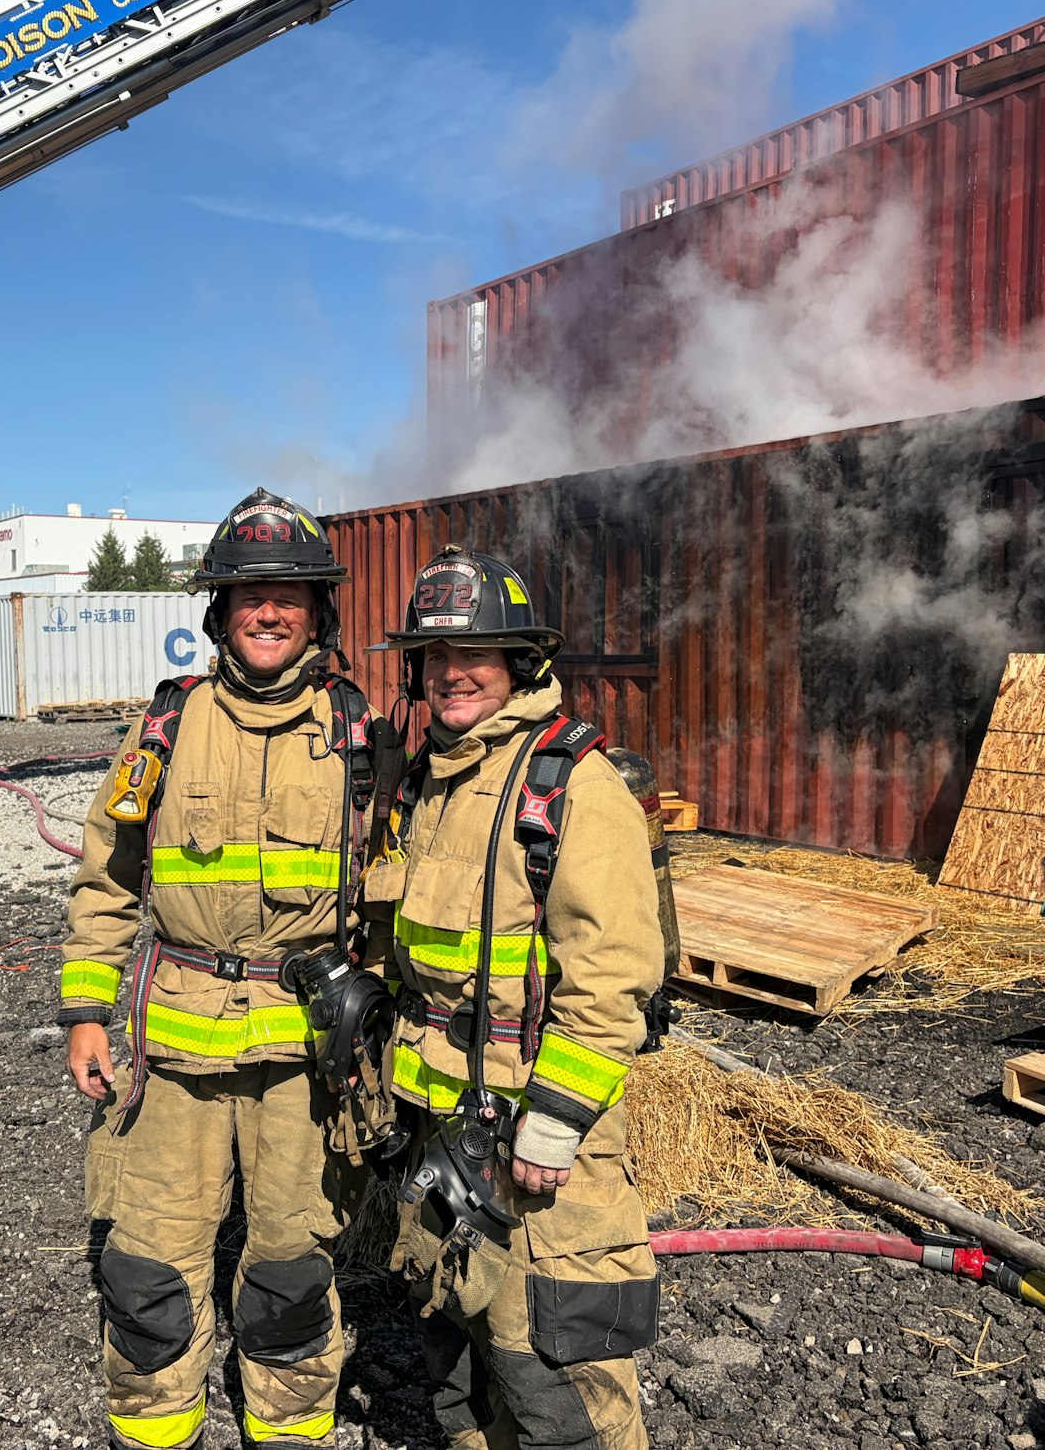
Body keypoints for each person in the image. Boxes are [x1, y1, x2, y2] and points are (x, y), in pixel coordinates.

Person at [58, 489, 384, 1450]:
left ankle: (287, 1428)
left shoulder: (366, 740)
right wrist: (87, 1010)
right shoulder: (163, 728)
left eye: (290, 593)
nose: (269, 610)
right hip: (176, 1051)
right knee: (148, 1266)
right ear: (218, 611)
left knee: (292, 1269)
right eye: (249, 593)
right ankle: (156, 1427)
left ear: (320, 611)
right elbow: (108, 878)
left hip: (307, 1055)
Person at [365, 546, 663, 1450]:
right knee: (451, 1356)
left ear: (521, 663)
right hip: (438, 1124)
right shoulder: (427, 781)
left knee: (554, 1381)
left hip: (533, 1138)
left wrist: (558, 1116)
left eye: (477, 657)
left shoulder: (570, 782)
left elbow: (611, 974)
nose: (454, 675)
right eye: (437, 660)